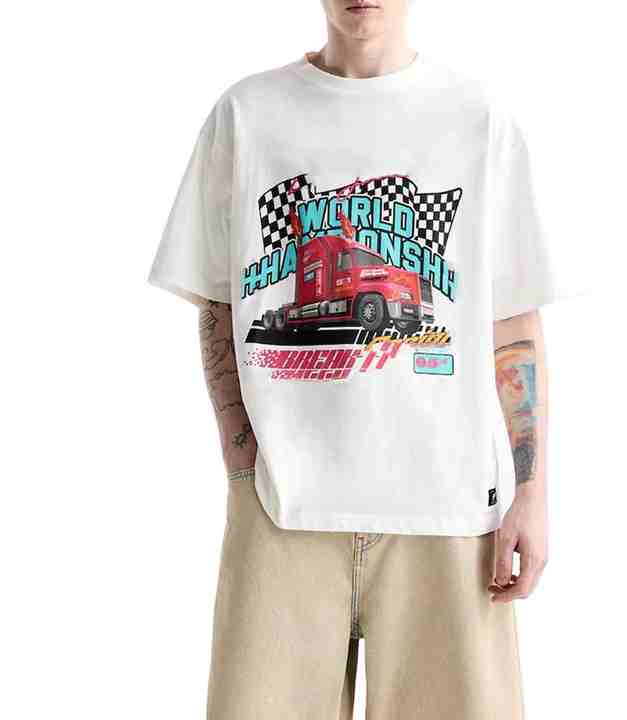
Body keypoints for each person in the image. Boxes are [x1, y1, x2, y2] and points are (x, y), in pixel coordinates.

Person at [149, 1, 573, 717]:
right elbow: (218, 302)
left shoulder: (478, 116)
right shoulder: (248, 114)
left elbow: (511, 317)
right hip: (282, 510)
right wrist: (245, 464)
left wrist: (530, 494)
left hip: (450, 510)